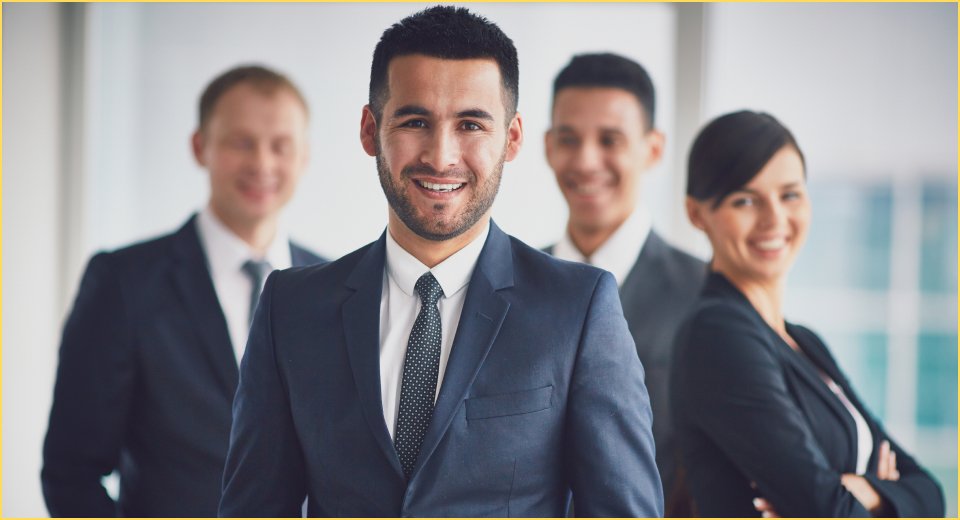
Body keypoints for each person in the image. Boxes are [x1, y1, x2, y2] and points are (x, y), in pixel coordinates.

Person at [218, 6, 662, 517]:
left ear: (511, 138)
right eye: (415, 121)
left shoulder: (578, 309)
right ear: (370, 129)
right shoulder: (291, 307)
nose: (441, 155)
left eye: (471, 124)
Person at [42, 65, 325, 517]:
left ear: (304, 157)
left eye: (281, 146)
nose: (263, 163)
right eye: (241, 142)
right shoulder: (123, 282)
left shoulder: (332, 287)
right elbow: (70, 471)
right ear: (201, 147)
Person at [671, 110, 944, 517]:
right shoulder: (718, 333)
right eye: (745, 200)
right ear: (697, 214)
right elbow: (826, 509)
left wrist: (861, 490)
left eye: (790, 195)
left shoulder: (803, 341)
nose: (774, 219)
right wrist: (878, 490)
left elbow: (930, 493)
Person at [544, 52, 705, 512]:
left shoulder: (705, 294)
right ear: (547, 146)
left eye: (610, 139)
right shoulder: (506, 284)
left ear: (653, 149)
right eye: (569, 139)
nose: (586, 161)